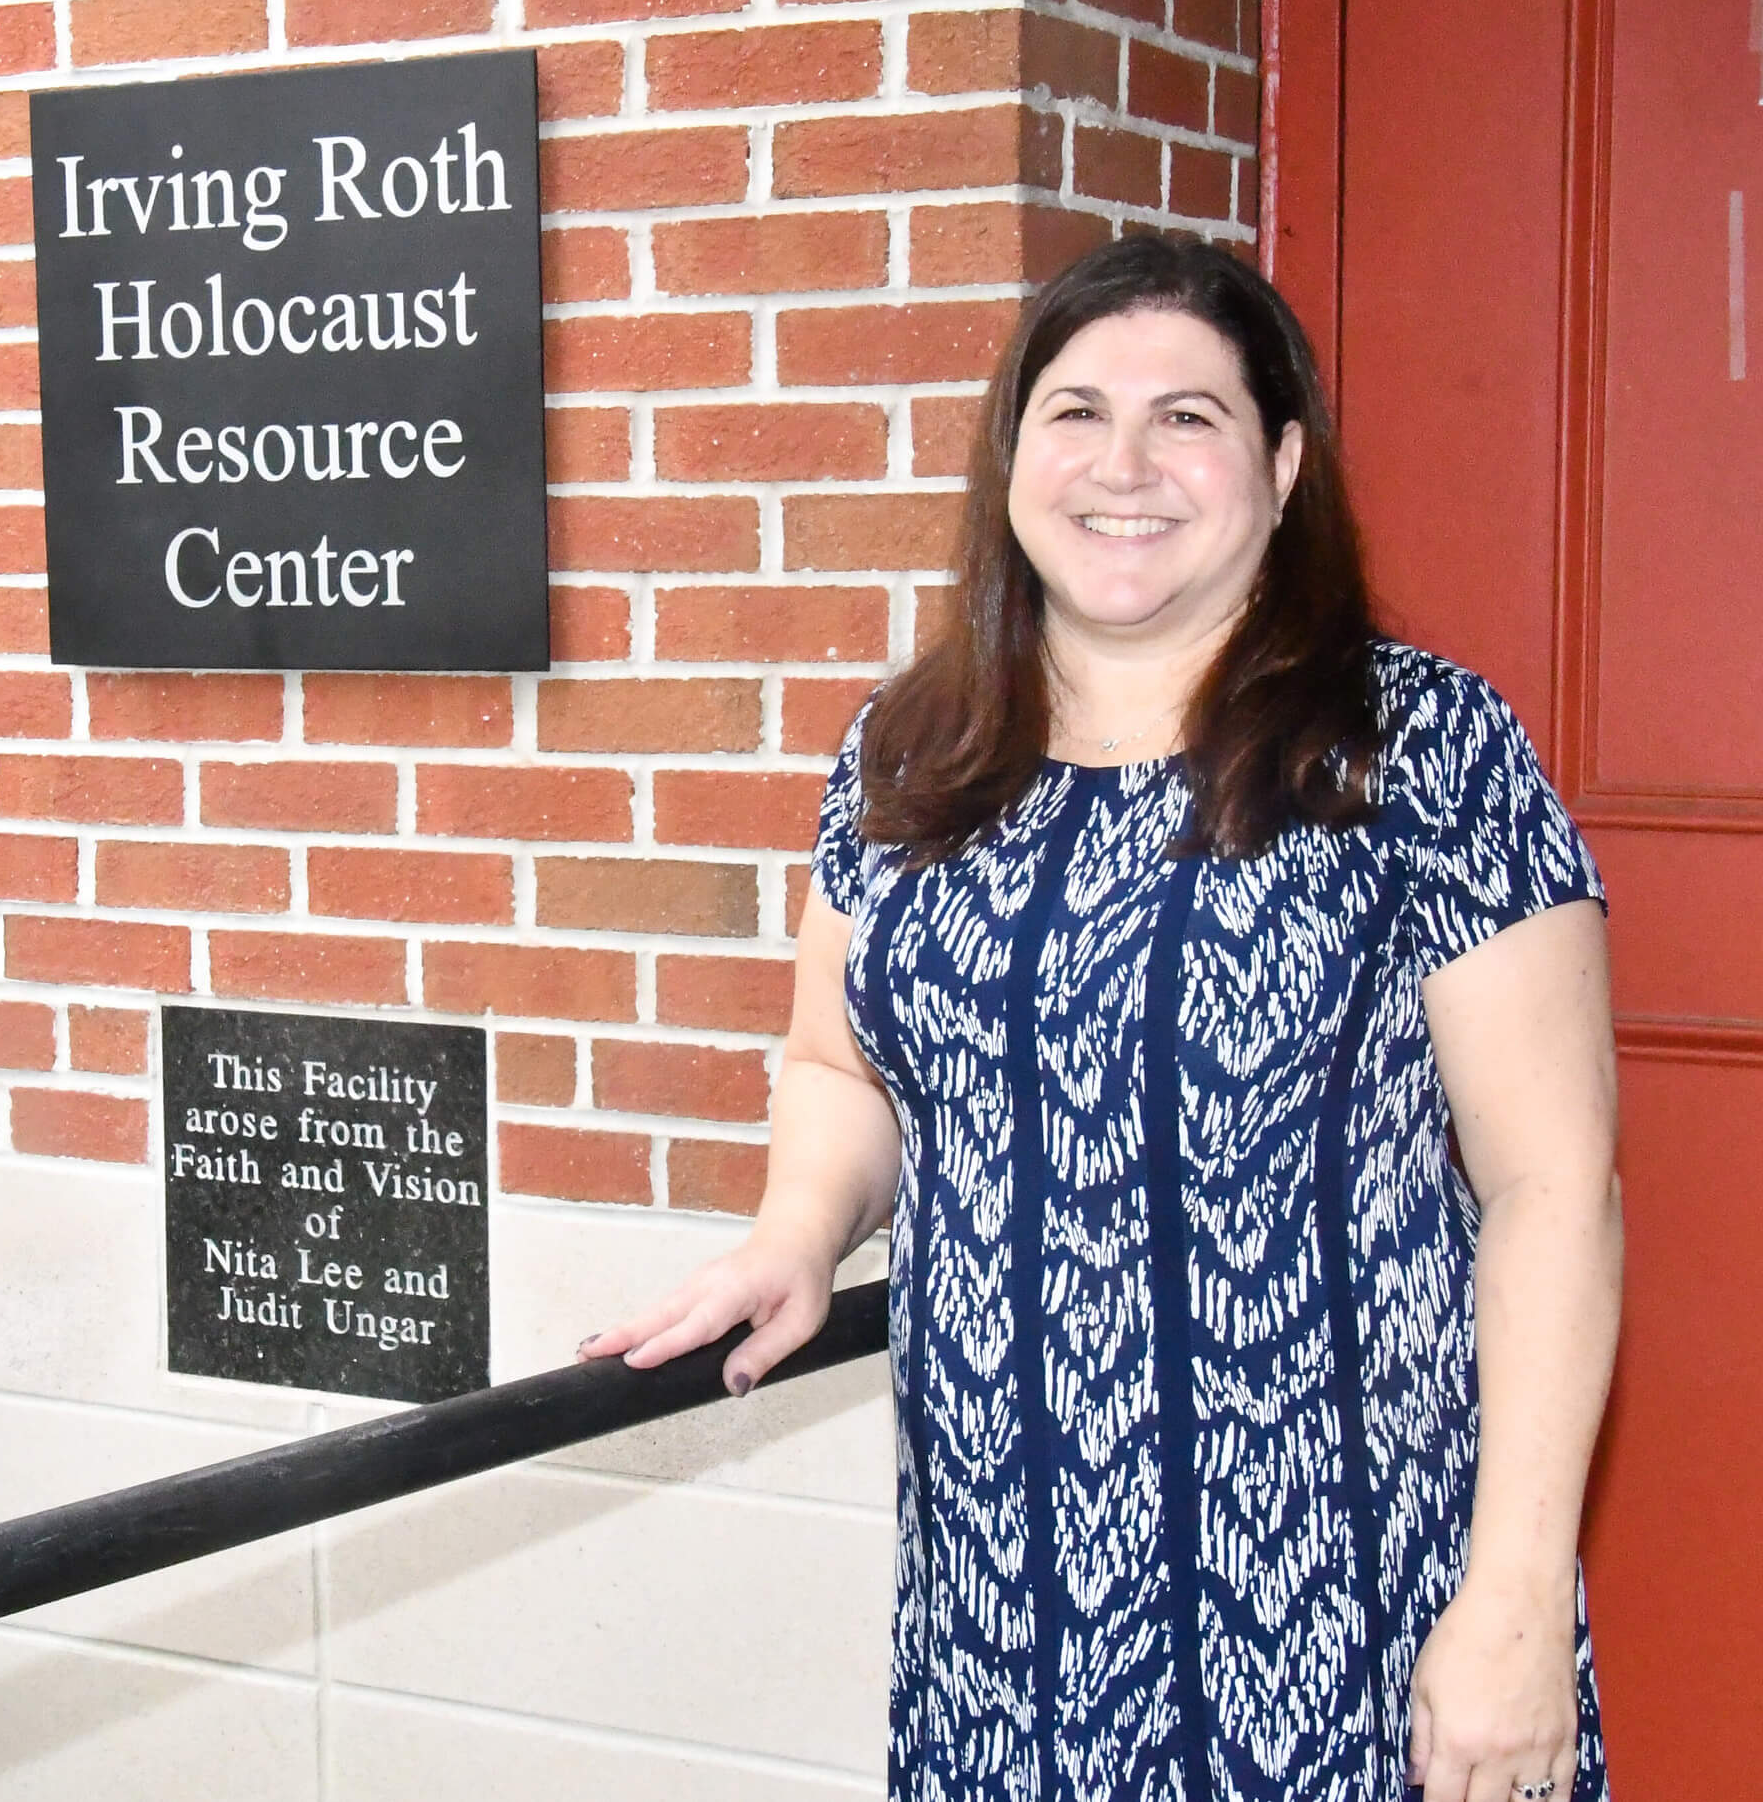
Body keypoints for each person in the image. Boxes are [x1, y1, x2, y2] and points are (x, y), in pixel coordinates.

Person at [581, 233, 1622, 1802]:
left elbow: (1554, 1186)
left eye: (1188, 418)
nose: (1123, 464)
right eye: (1074, 413)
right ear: (1012, 459)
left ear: (1279, 470)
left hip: (1343, 1600)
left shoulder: (1418, 748)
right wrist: (798, 1232)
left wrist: (1519, 1599)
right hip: (1007, 1615)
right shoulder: (910, 752)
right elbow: (838, 1062)